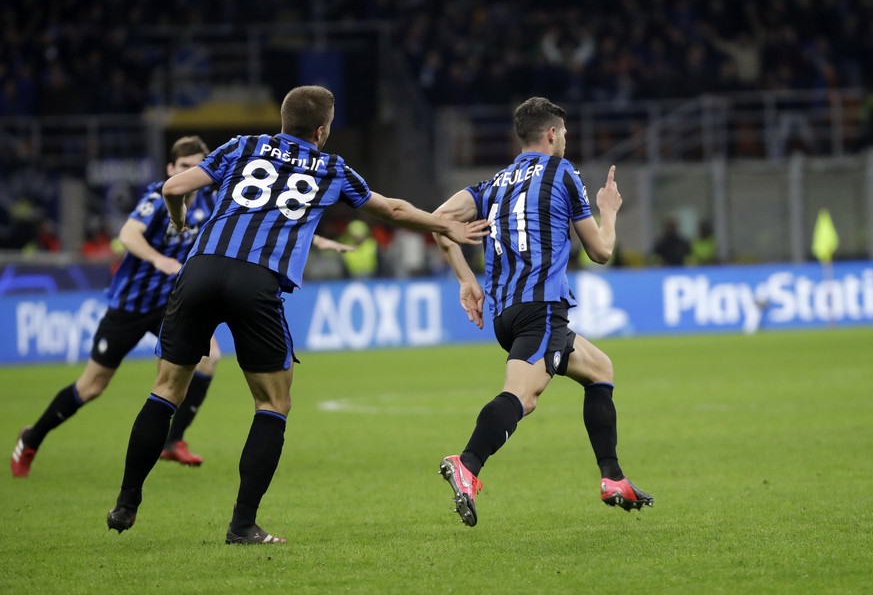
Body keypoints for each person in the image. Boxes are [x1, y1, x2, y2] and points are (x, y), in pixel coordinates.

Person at [105, 85, 489, 544]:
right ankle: (242, 525)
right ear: (322, 130)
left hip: (201, 268)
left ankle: (126, 503)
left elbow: (173, 187)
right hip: (257, 281)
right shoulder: (331, 168)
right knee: (273, 403)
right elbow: (392, 209)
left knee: (165, 389)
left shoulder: (243, 146)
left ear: (284, 121)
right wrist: (443, 223)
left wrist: (178, 216)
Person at [431, 96, 653, 527]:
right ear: (552, 134)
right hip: (543, 309)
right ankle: (468, 463)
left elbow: (438, 220)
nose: (565, 141)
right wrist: (608, 210)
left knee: (600, 369)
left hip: (506, 313)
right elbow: (601, 251)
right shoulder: (563, 173)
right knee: (523, 397)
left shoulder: (492, 184)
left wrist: (466, 279)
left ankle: (613, 477)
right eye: (564, 134)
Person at [10, 136, 220, 477]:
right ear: (171, 169)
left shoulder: (209, 199)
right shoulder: (158, 197)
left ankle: (172, 441)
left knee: (208, 358)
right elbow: (128, 234)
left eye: (197, 166)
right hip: (130, 307)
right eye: (183, 166)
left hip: (170, 305)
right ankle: (31, 438)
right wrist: (159, 260)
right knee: (91, 386)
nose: (190, 172)